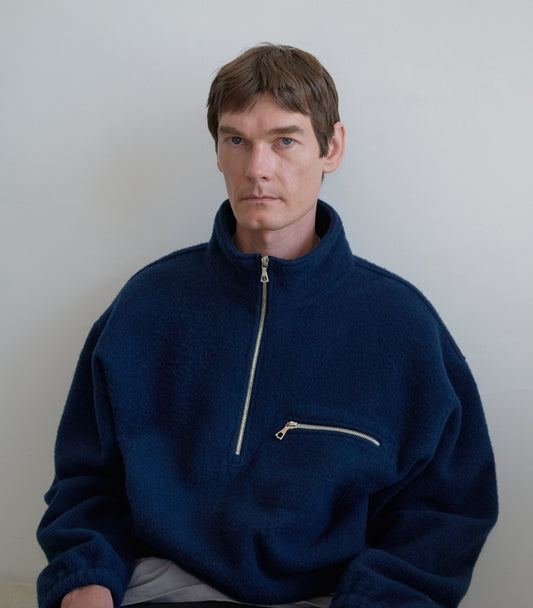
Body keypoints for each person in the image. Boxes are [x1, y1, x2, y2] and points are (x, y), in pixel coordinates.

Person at [37, 43, 498, 608]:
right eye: (236, 140)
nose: (257, 168)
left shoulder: (404, 327)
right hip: (157, 584)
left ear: (331, 147)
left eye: (284, 140)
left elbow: (446, 515)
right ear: (217, 151)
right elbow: (86, 483)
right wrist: (84, 581)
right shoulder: (145, 307)